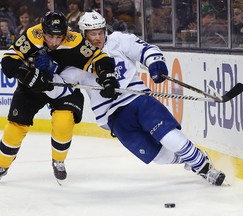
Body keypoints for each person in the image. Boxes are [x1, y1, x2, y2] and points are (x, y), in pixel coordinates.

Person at [47, 11, 226, 186]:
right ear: (83, 34)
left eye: (100, 32)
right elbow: (59, 87)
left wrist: (155, 62)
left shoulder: (119, 41)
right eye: (93, 34)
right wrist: (46, 76)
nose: (98, 38)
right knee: (160, 157)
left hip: (138, 100)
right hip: (114, 117)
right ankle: (191, 158)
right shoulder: (75, 57)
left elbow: (145, 49)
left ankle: (203, 167)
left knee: (169, 137)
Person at [0, 12, 115, 183]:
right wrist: (27, 75)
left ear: (65, 33)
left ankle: (58, 160)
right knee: (16, 126)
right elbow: (8, 61)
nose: (54, 42)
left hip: (65, 87)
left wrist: (107, 76)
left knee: (64, 120)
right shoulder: (33, 35)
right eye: (50, 37)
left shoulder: (74, 40)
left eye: (59, 37)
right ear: (43, 30)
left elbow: (99, 58)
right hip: (33, 87)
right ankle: (2, 164)